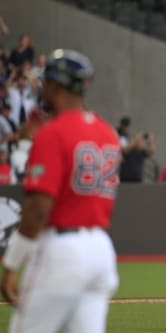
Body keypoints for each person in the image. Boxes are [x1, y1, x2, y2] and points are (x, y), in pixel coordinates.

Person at [0, 49, 121, 333]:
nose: (42, 87)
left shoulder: (52, 133)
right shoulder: (106, 132)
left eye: (46, 82)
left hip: (62, 251)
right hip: (100, 250)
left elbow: (38, 209)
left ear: (56, 85)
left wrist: (11, 264)